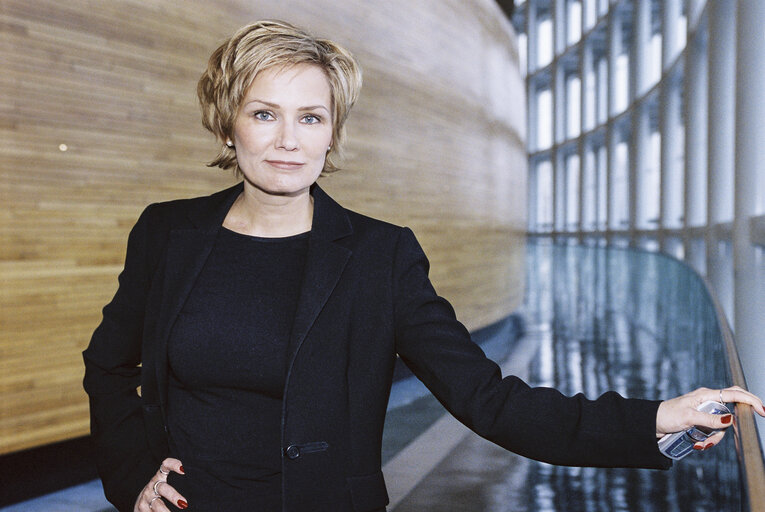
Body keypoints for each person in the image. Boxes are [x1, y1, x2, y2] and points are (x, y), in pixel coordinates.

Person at [82, 20, 765, 512]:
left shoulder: (380, 255)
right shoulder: (167, 232)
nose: (288, 140)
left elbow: (488, 401)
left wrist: (656, 419)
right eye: (264, 114)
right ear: (228, 124)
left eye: (311, 118)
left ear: (333, 134)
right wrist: (134, 474)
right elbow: (108, 366)